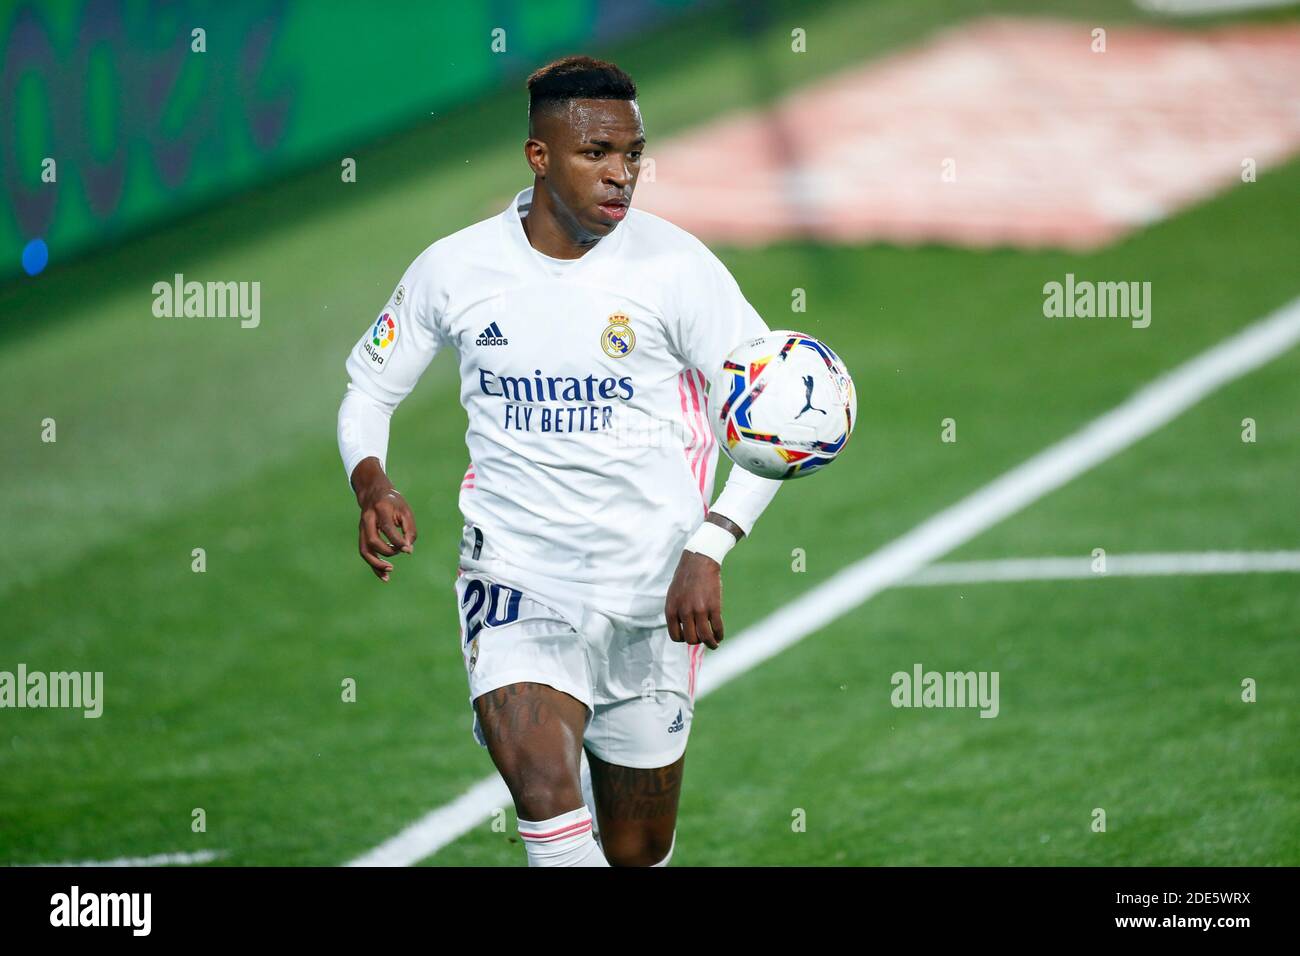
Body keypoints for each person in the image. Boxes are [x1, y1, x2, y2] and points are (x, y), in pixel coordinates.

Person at [337, 55, 782, 866]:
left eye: (633, 154)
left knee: (637, 850)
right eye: (598, 154)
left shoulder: (678, 270)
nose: (622, 176)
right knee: (543, 785)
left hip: (652, 593)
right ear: (539, 156)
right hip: (517, 579)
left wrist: (710, 544)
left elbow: (775, 421)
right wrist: (372, 481)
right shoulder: (456, 269)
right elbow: (369, 390)